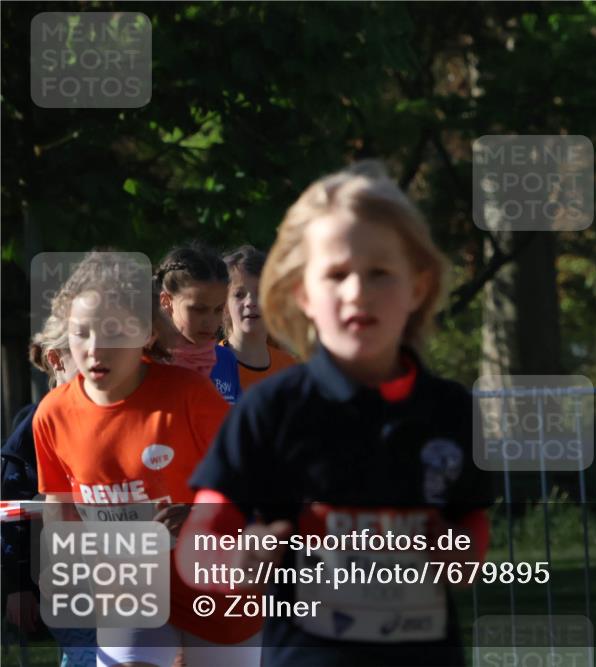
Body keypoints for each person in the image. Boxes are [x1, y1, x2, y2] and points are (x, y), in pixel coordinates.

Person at [178, 162, 494, 666]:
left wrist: (460, 554)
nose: (356, 292)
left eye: (380, 273)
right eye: (336, 274)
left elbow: (472, 517)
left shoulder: (451, 411)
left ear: (418, 286)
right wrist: (240, 559)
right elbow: (200, 544)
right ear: (302, 293)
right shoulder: (271, 410)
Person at [31, 250, 261, 667]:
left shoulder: (190, 396)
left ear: (147, 333)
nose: (96, 349)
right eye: (82, 333)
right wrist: (58, 564)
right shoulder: (52, 413)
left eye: (115, 331)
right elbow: (59, 500)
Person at [2, 314, 97, 667]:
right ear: (55, 360)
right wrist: (18, 586)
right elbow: (11, 505)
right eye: (81, 348)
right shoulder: (33, 425)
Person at [156, 243, 242, 403]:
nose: (209, 322)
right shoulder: (146, 364)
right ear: (166, 301)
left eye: (218, 309)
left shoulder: (225, 359)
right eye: (198, 309)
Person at [219, 244, 297, 391]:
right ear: (223, 305)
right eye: (239, 295)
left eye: (260, 293)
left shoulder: (290, 368)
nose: (250, 302)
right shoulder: (210, 364)